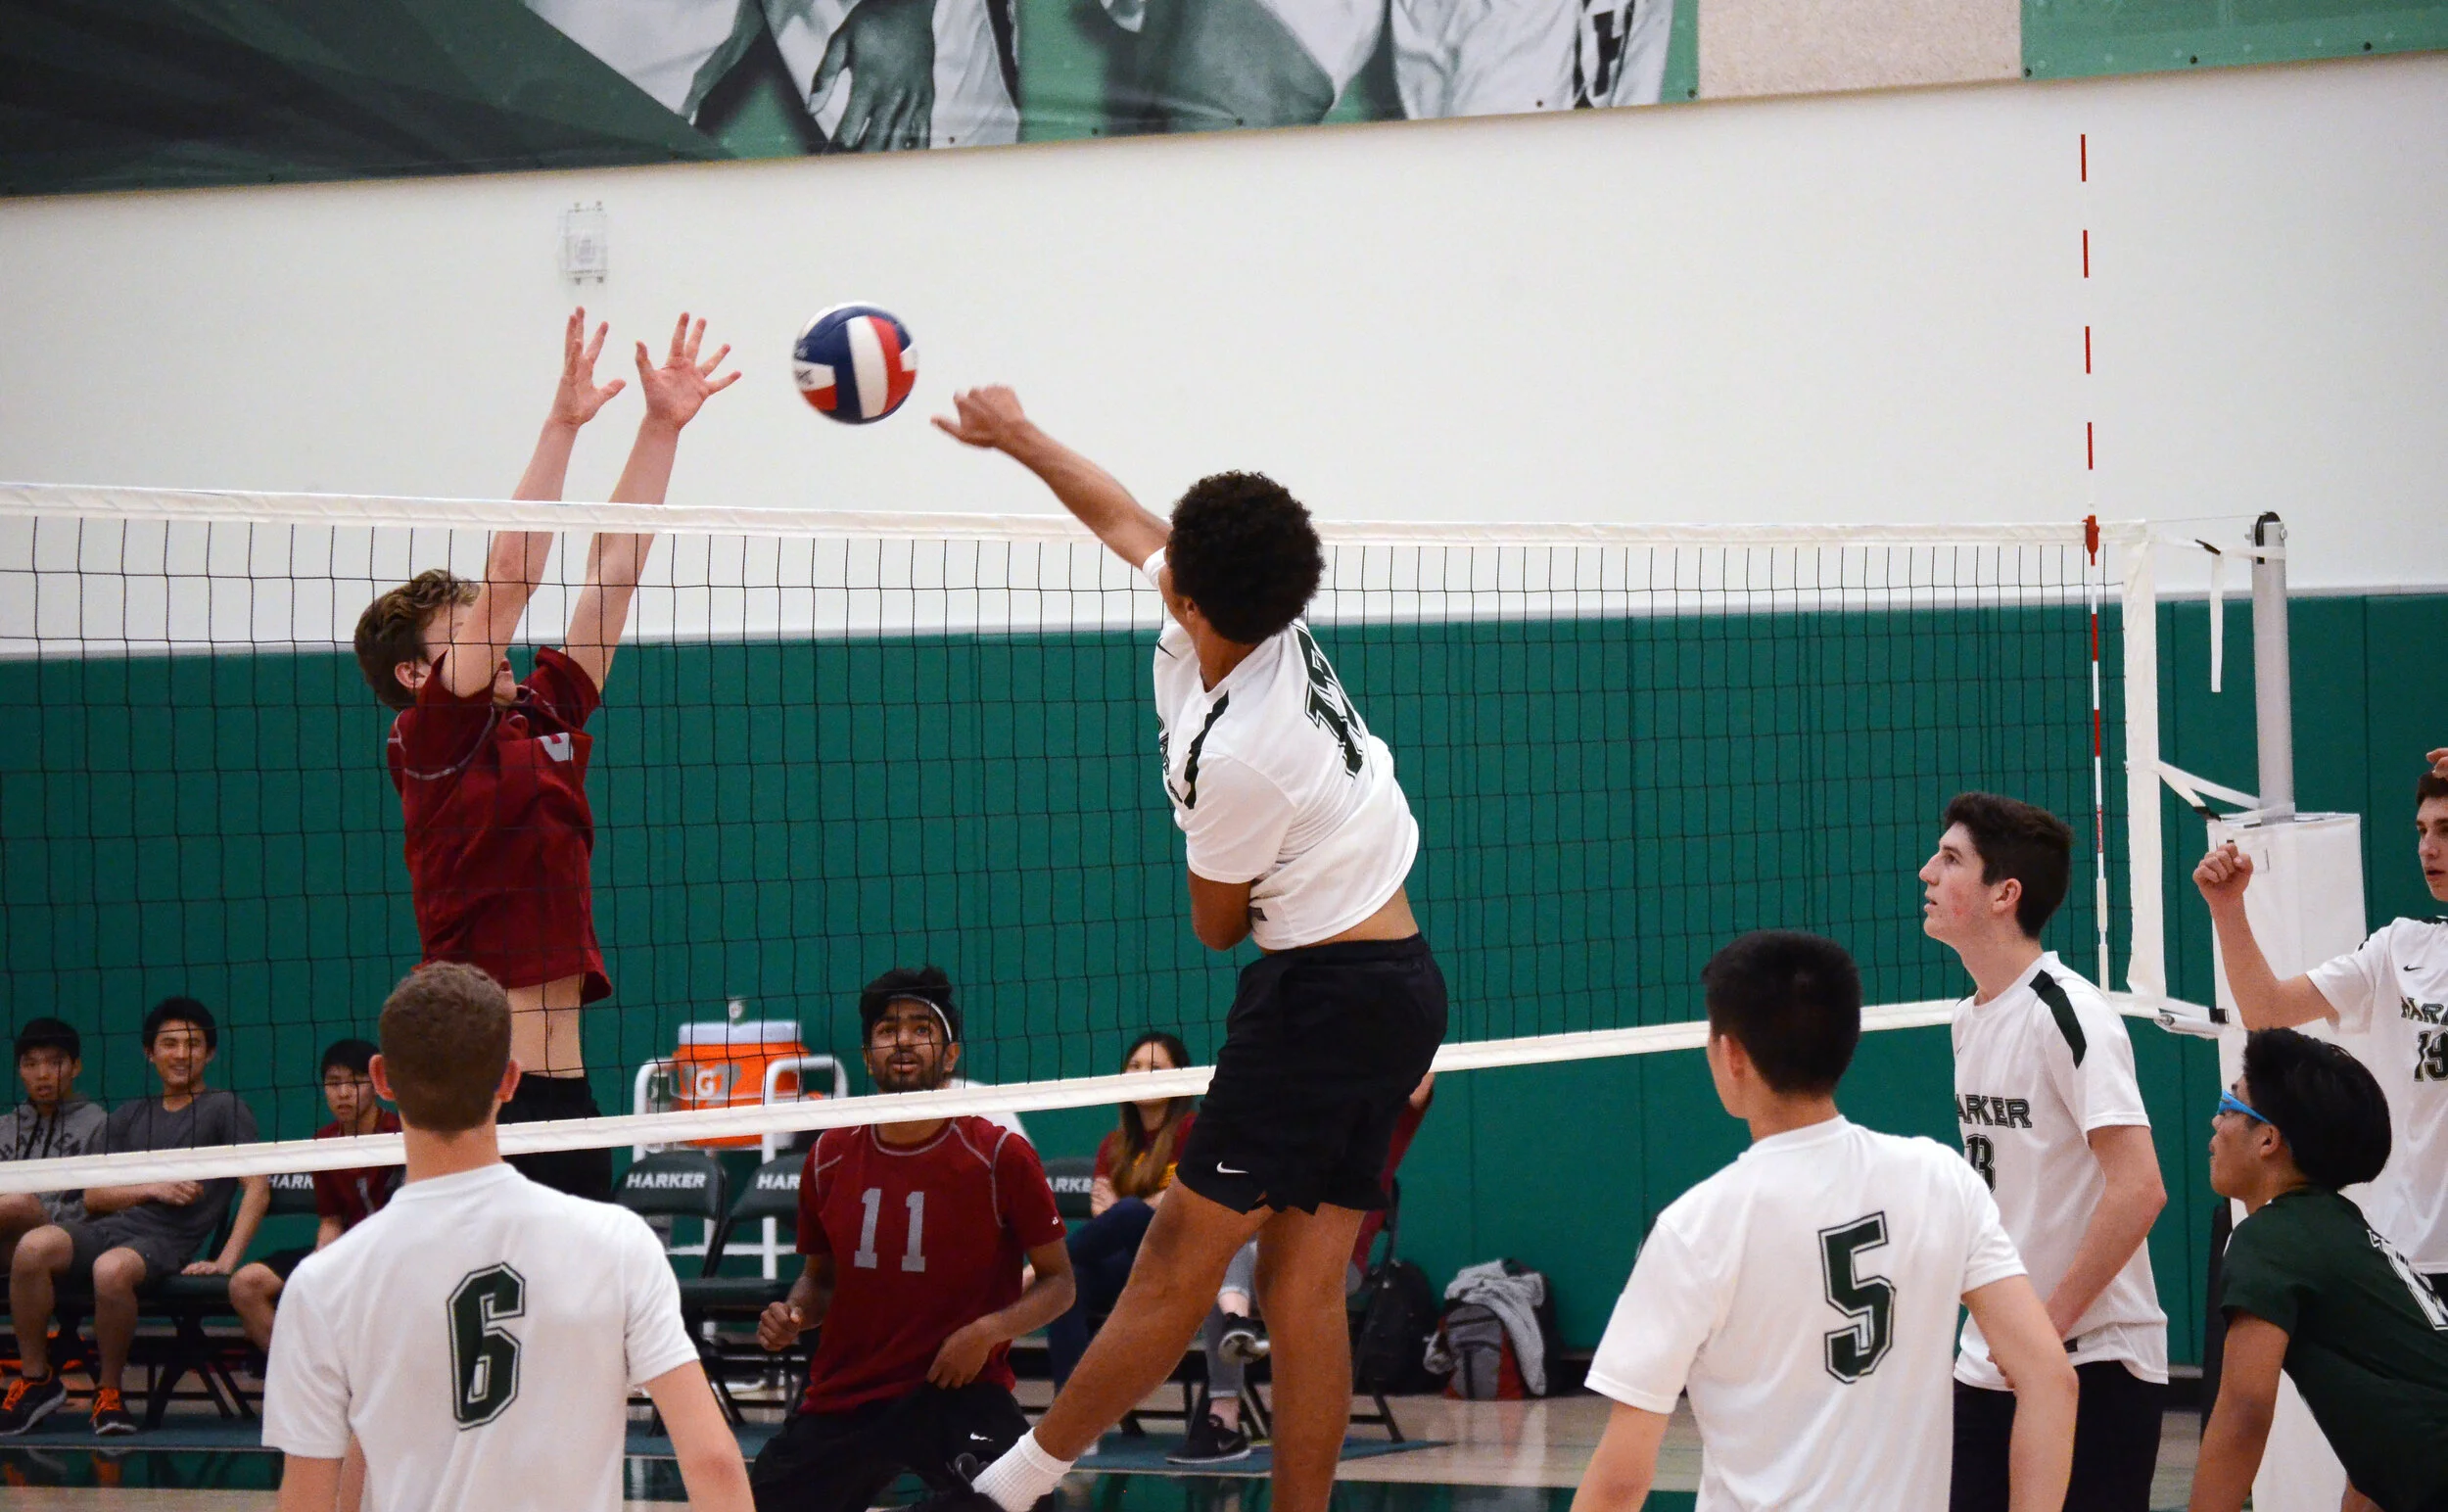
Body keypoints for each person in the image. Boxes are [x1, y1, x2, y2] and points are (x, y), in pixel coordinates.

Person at [933, 388, 1446, 1512]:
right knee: (1305, 1288)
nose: (1154, 556)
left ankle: (1005, 1491)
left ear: (1192, 596)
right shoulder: (1255, 623)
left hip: (1322, 995)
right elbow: (1121, 518)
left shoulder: (1244, 756)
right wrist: (1019, 437)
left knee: (1176, 1254)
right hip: (1401, 983)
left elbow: (1215, 927)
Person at [352, 308, 736, 1201]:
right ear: (418, 672)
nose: (503, 636)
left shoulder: (541, 708)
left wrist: (659, 427)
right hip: (483, 1092)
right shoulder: (432, 737)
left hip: (568, 1090)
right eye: (471, 629)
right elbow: (516, 578)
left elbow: (614, 574)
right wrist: (563, 425)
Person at [1575, 930, 2075, 1512]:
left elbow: (1620, 1482)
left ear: (1730, 1054)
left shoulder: (1696, 1228)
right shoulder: (1943, 1180)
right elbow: (2050, 1381)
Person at [260, 963, 751, 1512]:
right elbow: (713, 1463)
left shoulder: (322, 1283)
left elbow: (308, 1501)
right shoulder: (617, 1243)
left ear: (381, 1079)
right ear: (511, 1079)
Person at [1921, 793, 2169, 1512]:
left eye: (1951, 858)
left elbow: (2140, 1188)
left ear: (2006, 893)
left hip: (2097, 1357)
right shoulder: (1969, 1019)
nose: (1926, 872)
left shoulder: (2070, 1012)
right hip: (1991, 1359)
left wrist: (2045, 1325)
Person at [749, 969, 1074, 1512]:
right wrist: (795, 1314)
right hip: (850, 1392)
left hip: (959, 1389)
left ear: (950, 1056)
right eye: (887, 1029)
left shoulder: (999, 1156)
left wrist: (986, 1333)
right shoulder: (828, 1155)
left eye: (922, 1027)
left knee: (1023, 1503)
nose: (902, 1039)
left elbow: (1060, 1283)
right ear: (868, 1054)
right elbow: (819, 1280)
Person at [2195, 763, 2448, 1286]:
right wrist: (2227, 909)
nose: (2428, 847)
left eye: (2446, 830)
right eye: (2423, 830)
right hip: (2412, 1256)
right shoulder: (2400, 948)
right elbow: (2266, 1010)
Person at [2189, 1027, 2448, 1512]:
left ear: (2268, 1139)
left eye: (2230, 1105)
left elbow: (2244, 1410)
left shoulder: (2270, 1238)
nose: (2215, 1121)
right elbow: (2383, 1433)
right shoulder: (2341, 1233)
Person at [0, 998, 268, 1437]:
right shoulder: (129, 1116)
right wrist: (152, 1187)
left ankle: (109, 1393)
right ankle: (37, 1380)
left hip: (167, 1241)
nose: (181, 1054)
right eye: (170, 1044)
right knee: (33, 1247)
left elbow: (255, 1185)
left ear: (210, 1053)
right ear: (150, 1052)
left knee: (111, 1270)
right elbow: (93, 1197)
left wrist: (226, 1260)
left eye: (193, 1044)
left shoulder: (225, 1108)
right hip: (107, 1228)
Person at [228, 1038, 402, 1352]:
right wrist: (320, 1265)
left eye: (355, 1082)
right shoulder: (323, 1142)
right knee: (246, 1285)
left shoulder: (399, 1134)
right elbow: (331, 1222)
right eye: (334, 1083)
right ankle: (305, 1379)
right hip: (345, 1250)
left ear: (376, 1085)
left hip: (390, 1257)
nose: (344, 1093)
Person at [1047, 1031, 1197, 1388]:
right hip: (1129, 1266)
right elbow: (1106, 1223)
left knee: (1130, 1212)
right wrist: (1138, 1210)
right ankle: (1073, 1418)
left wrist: (1131, 1210)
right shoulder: (1113, 1146)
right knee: (1068, 1285)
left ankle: (1035, 1271)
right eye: (1135, 1066)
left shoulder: (1195, 1132)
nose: (1142, 1073)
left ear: (1179, 1077)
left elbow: (1178, 1206)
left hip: (1179, 1265)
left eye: (1155, 1067)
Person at [0, 1018, 107, 1273]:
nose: (42, 1074)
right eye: (31, 1064)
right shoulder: (4, 1127)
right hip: (6, 1238)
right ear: (20, 1070)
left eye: (54, 1063)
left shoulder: (99, 1124)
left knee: (18, 1203)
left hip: (65, 1237)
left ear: (76, 1066)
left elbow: (98, 1205)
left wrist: (37, 1210)